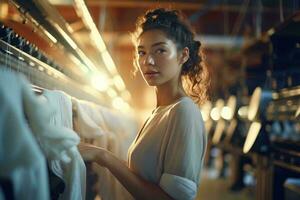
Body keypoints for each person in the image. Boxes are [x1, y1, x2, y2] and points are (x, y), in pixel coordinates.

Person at [79, 8, 209, 200]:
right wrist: (99, 153)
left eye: (160, 50)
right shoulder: (159, 112)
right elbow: (141, 177)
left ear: (183, 55)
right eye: (142, 52)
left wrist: (104, 157)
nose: (148, 60)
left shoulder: (184, 111)